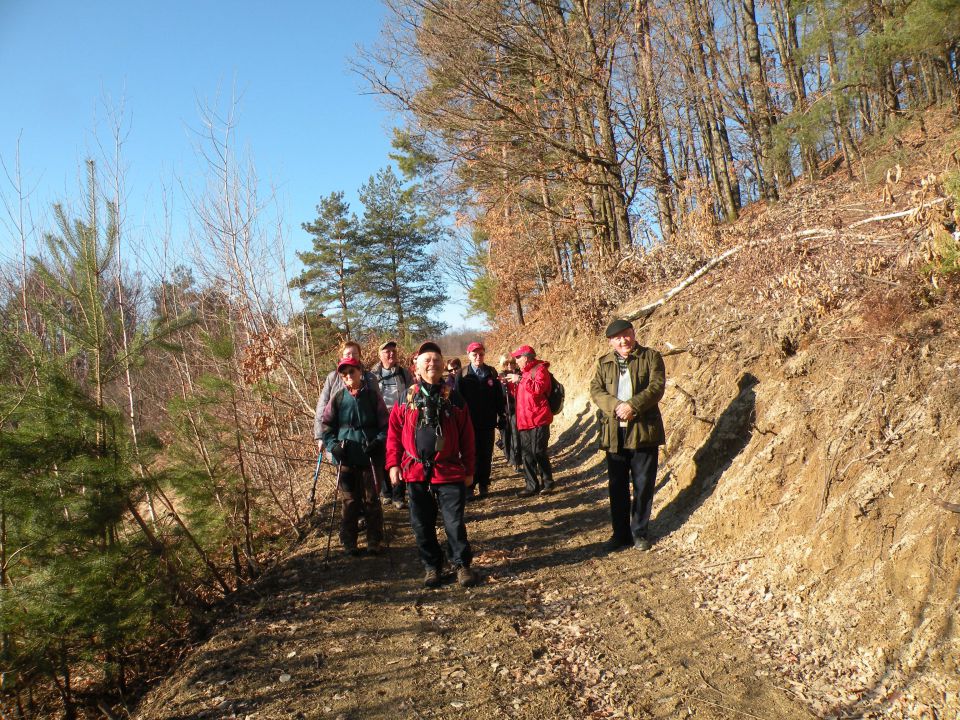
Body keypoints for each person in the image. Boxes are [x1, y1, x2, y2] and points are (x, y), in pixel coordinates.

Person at [386, 341, 478, 588]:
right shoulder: (405, 398)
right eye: (426, 360)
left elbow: (468, 436)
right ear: (416, 366)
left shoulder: (455, 398)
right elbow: (393, 434)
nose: (431, 364)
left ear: (442, 366)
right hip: (415, 472)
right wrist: (393, 465)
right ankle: (432, 566)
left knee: (454, 523)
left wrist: (470, 470)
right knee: (421, 525)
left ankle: (461, 565)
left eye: (436, 360)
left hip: (448, 471)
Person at [589, 318, 665, 553]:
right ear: (611, 342)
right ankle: (620, 534)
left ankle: (639, 532)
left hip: (643, 432)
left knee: (643, 485)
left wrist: (633, 405)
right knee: (617, 486)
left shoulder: (651, 357)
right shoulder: (604, 363)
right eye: (617, 338)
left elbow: (656, 387)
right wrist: (616, 406)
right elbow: (596, 390)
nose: (623, 340)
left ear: (633, 333)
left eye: (626, 334)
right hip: (614, 433)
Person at [320, 357, 389, 556]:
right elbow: (326, 427)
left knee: (372, 498)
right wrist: (333, 447)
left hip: (370, 456)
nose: (349, 376)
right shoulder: (338, 398)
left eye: (352, 371)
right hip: (346, 457)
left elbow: (386, 425)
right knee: (349, 500)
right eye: (345, 373)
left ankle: (374, 540)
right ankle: (349, 542)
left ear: (360, 371)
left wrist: (377, 441)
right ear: (342, 377)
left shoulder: (373, 397)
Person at [314, 341, 381, 460]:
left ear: (360, 355)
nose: (351, 356)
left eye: (355, 353)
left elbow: (379, 410)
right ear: (341, 356)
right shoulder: (333, 377)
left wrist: (379, 440)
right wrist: (321, 437)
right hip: (340, 438)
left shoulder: (370, 378)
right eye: (347, 354)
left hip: (368, 441)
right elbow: (322, 407)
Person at [457, 341, 505, 500]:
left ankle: (484, 484)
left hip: (488, 422)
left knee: (486, 454)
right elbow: (457, 400)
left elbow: (499, 396)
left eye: (481, 354)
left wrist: (502, 415)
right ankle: (470, 486)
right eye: (474, 354)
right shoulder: (462, 374)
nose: (478, 357)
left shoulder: (491, 372)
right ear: (468, 355)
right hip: (469, 423)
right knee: (471, 454)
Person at [370, 340, 415, 509]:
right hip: (381, 421)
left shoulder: (404, 373)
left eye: (393, 351)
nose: (391, 354)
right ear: (380, 355)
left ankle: (399, 496)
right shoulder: (372, 375)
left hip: (402, 420)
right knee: (382, 456)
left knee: (400, 455)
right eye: (387, 351)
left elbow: (412, 393)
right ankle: (386, 492)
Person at [510, 344, 555, 497]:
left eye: (518, 357)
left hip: (539, 418)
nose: (516, 361)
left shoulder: (540, 369)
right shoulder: (523, 373)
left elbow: (538, 389)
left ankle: (547, 483)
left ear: (527, 357)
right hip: (524, 420)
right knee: (527, 455)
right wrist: (511, 384)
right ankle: (531, 486)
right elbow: (522, 396)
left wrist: (520, 379)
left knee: (538, 451)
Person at [498, 354, 522, 472]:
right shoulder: (500, 377)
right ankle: (509, 457)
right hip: (505, 410)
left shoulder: (520, 374)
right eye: (507, 364)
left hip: (517, 409)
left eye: (512, 363)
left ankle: (516, 460)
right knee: (506, 436)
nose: (510, 366)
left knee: (516, 435)